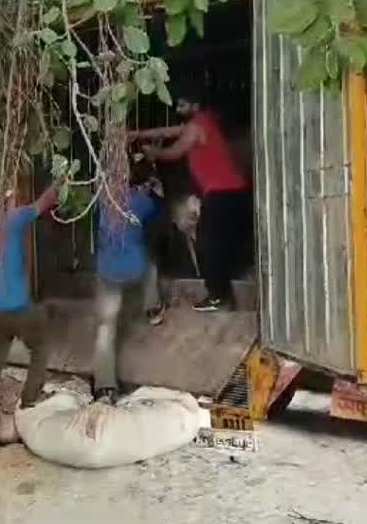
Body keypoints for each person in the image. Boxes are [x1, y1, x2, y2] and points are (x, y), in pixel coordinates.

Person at [129, 90, 251, 312]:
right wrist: (138, 134)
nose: (177, 109)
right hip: (232, 192)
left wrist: (152, 152)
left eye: (182, 105)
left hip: (221, 193)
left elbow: (174, 152)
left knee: (208, 246)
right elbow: (168, 131)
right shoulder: (204, 120)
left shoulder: (195, 127)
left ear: (195, 104)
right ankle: (222, 294)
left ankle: (219, 297)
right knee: (217, 245)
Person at [0, 179, 62, 456]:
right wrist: (60, 180)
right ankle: (30, 397)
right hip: (18, 309)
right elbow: (46, 200)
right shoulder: (13, 219)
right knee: (41, 346)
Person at [92, 153, 166, 405]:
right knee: (152, 264)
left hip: (107, 270)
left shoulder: (103, 199)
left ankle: (104, 388)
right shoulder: (142, 201)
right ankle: (152, 308)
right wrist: (155, 189)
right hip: (135, 268)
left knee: (105, 329)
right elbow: (159, 213)